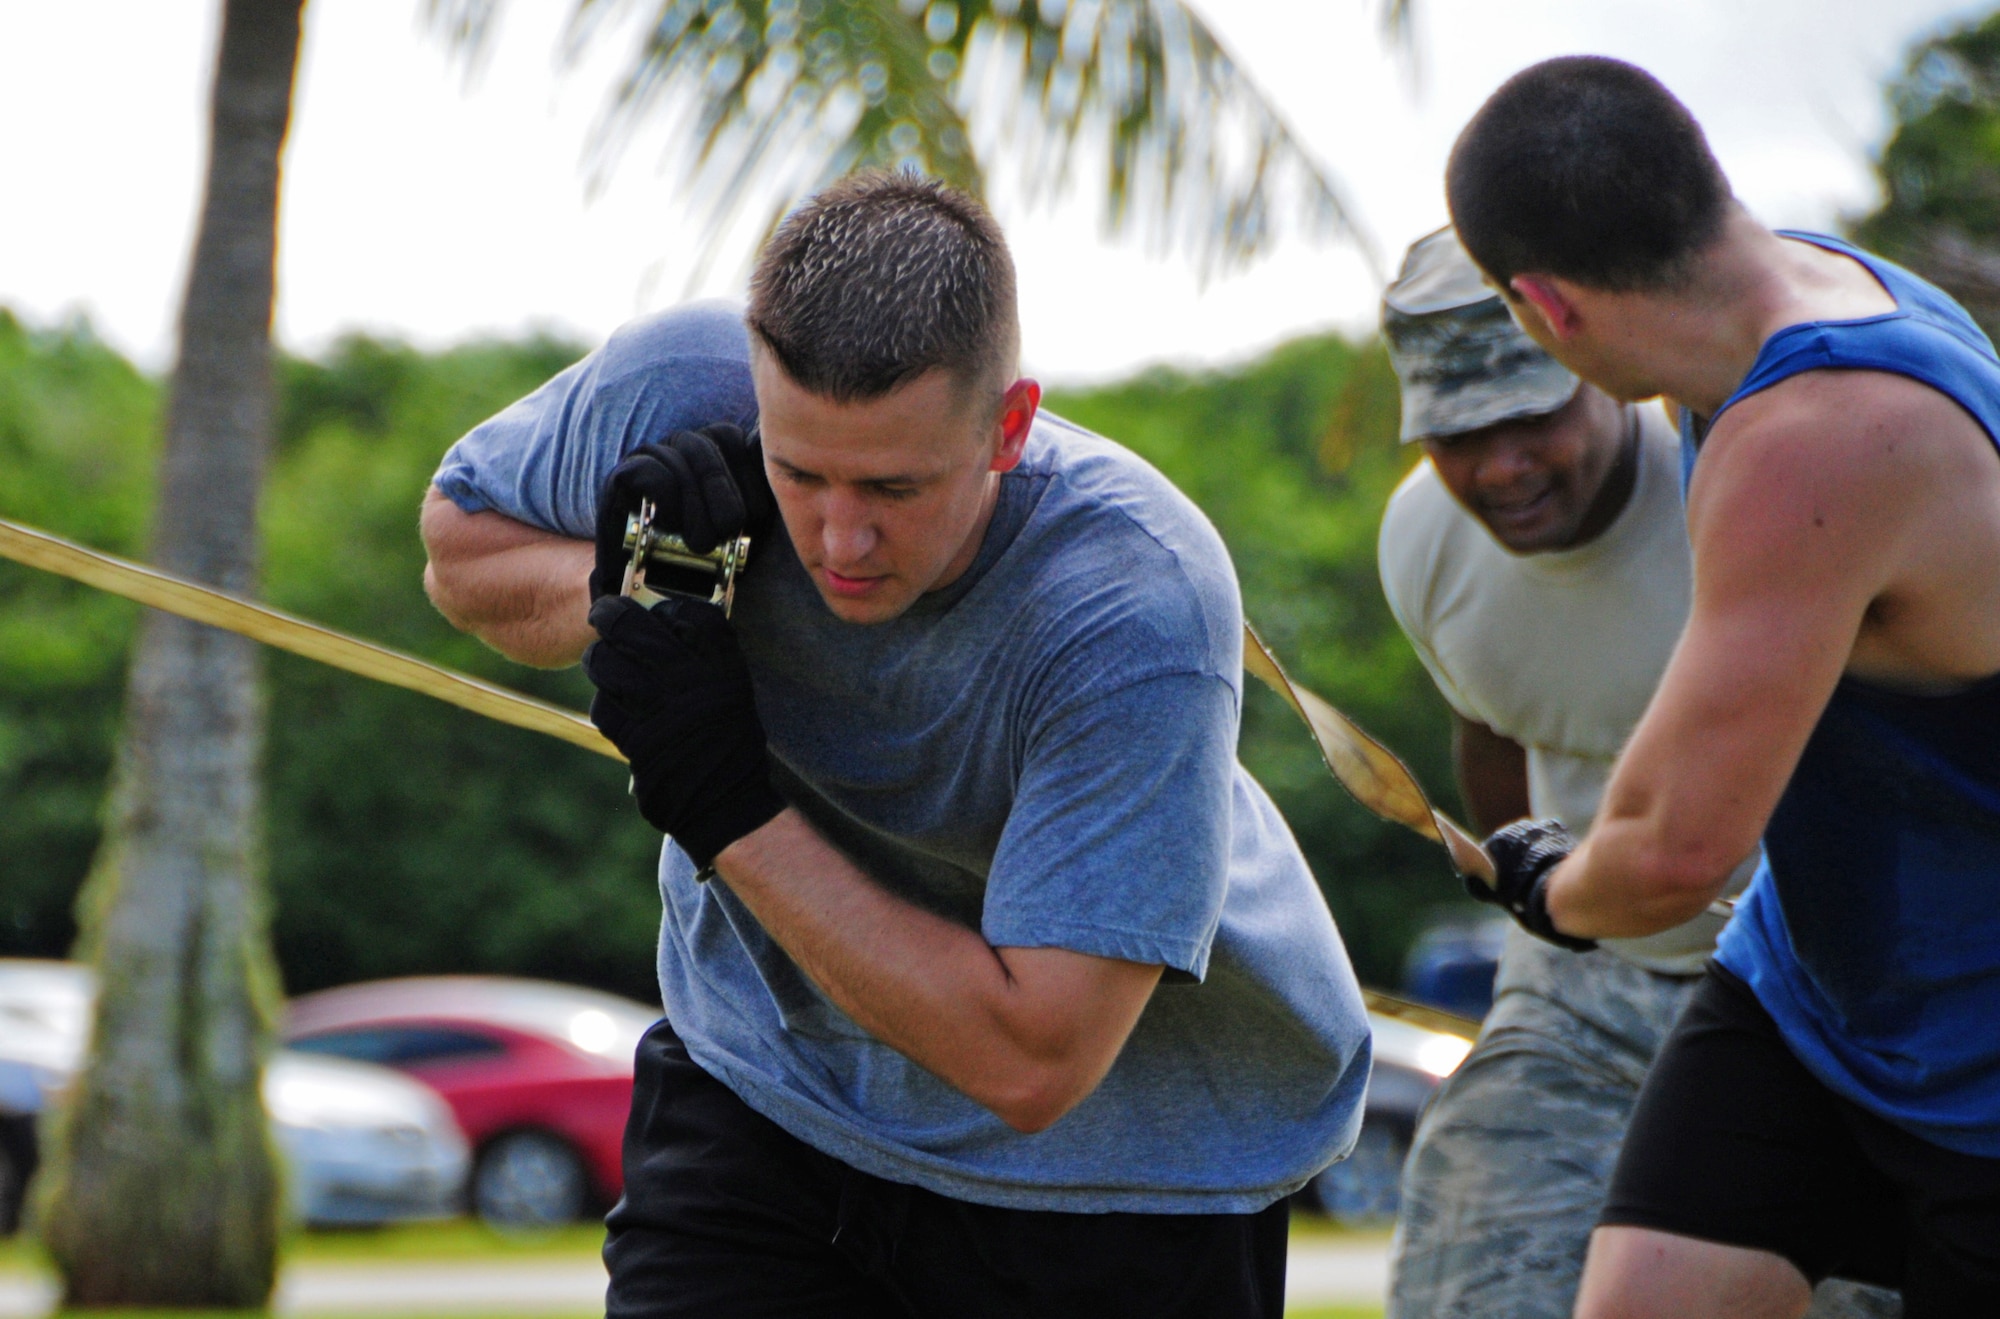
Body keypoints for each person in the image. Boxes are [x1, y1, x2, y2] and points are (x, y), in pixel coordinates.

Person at [419, 172, 1371, 1318]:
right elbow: (458, 552)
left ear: (1007, 424)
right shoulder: (680, 384)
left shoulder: (1131, 599)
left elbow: (1033, 1064)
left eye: (893, 485)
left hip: (1129, 1168)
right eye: (798, 471)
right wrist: (646, 589)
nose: (839, 536)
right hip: (768, 1093)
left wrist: (722, 804)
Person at [1443, 56, 2000, 1318]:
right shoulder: (1802, 287)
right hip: (1811, 1003)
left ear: (1541, 303)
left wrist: (1548, 885)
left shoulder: (1816, 436)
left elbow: (1670, 854)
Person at [1375, 227, 1893, 1319]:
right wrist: (1540, 900)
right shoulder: (1420, 542)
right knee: (1463, 1288)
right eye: (1459, 434)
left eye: (1530, 416)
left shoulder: (1749, 493)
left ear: (1597, 374)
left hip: (1818, 987)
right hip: (1584, 984)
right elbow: (1491, 731)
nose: (1501, 464)